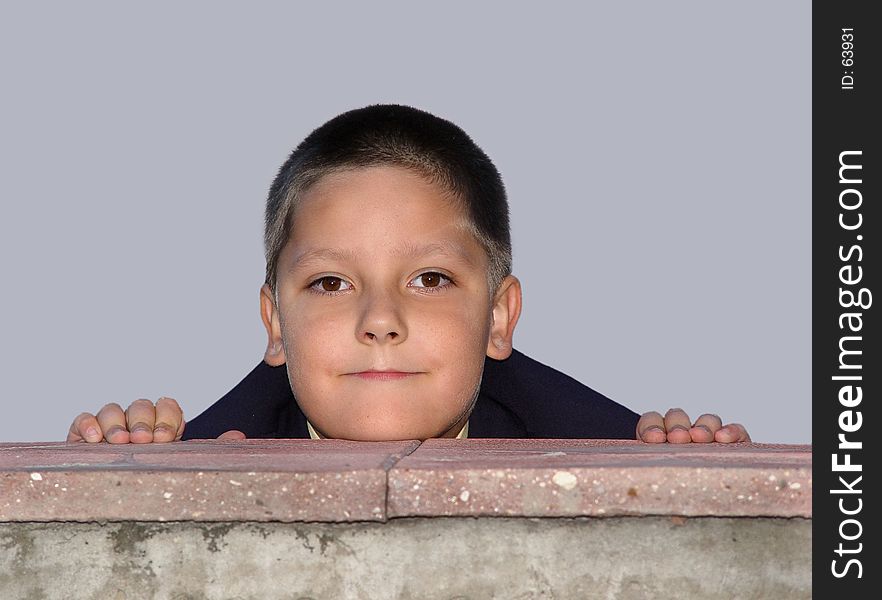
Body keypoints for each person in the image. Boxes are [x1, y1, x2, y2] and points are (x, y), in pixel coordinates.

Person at [66, 105, 749, 445]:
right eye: (331, 283)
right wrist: (132, 472)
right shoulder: (209, 453)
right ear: (275, 325)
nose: (381, 321)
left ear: (499, 317)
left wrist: (685, 471)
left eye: (429, 279)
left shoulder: (595, 446)